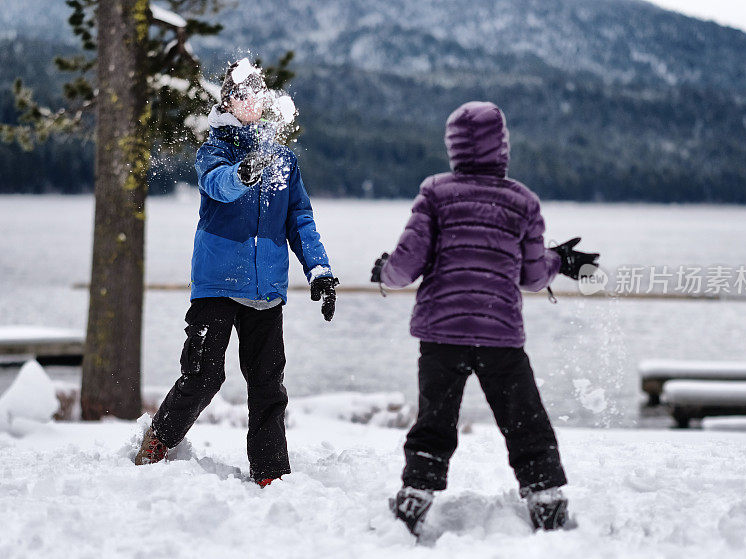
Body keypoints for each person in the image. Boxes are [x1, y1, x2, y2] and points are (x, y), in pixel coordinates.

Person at [370, 101, 599, 534]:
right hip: (500, 334)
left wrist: (383, 270)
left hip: (442, 333)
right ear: (502, 146)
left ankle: (416, 494)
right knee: (525, 419)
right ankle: (546, 496)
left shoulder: (435, 193)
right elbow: (532, 277)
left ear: (453, 146)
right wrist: (559, 261)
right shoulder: (522, 201)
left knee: (434, 419)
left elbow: (405, 264)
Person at [134, 58, 339, 488]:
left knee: (268, 385)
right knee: (204, 375)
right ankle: (158, 441)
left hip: (265, 291)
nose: (255, 100)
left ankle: (270, 474)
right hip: (217, 285)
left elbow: (299, 219)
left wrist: (318, 269)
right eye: (246, 93)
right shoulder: (216, 148)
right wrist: (242, 174)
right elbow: (218, 185)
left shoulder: (282, 159)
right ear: (229, 101)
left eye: (259, 93)